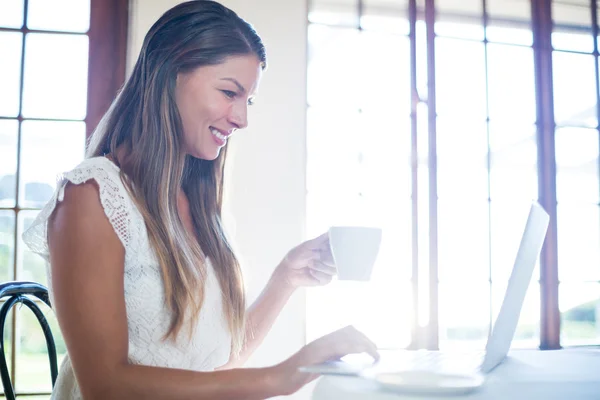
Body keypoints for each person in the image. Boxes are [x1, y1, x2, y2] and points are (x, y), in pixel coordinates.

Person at [22, 1, 378, 399]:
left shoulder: (198, 204)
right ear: (170, 74)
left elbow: (208, 363)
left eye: (249, 100)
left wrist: (286, 277)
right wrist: (282, 375)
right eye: (229, 92)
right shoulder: (93, 198)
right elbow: (105, 386)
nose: (242, 118)